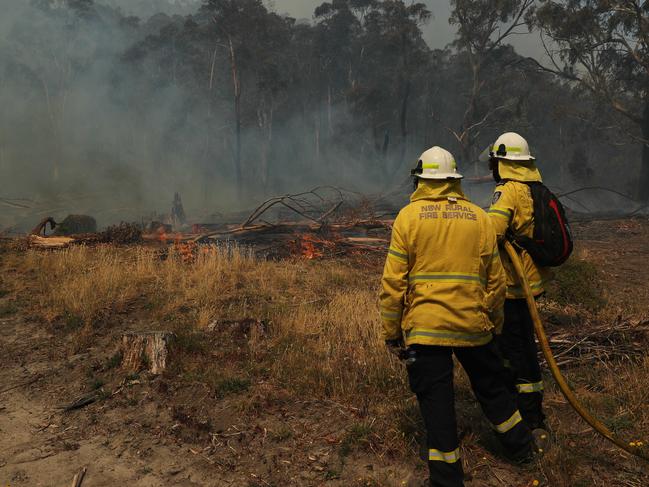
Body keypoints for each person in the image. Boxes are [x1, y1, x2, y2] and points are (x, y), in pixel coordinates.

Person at [380, 146, 535, 487]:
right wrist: (494, 325)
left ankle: (447, 479)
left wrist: (392, 331)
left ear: (421, 180)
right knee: (493, 389)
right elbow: (495, 283)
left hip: (425, 329)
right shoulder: (479, 217)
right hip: (473, 326)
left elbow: (393, 282)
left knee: (436, 402)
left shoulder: (408, 217)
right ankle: (523, 450)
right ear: (454, 181)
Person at [487, 132, 552, 438]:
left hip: (513, 284)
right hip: (532, 282)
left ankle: (525, 417)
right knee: (525, 346)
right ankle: (531, 409)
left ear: (502, 162)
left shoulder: (509, 191)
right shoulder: (534, 187)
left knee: (512, 349)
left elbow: (492, 233)